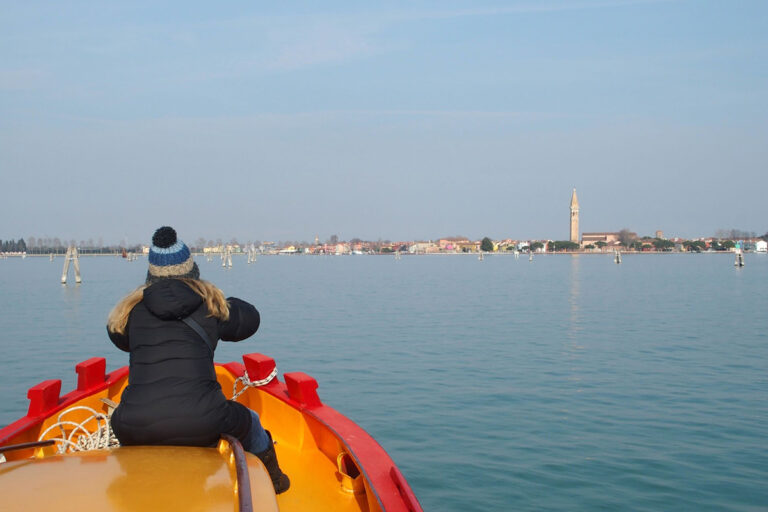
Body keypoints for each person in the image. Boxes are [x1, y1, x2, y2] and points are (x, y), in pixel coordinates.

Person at [106, 226, 289, 494]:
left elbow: (118, 337)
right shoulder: (210, 307)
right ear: (191, 271)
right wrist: (223, 301)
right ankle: (275, 483)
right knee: (250, 421)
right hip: (203, 421)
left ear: (150, 276)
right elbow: (250, 320)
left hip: (133, 425)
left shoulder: (130, 313)